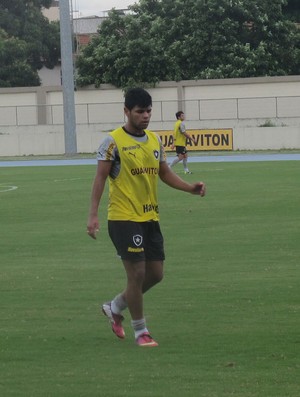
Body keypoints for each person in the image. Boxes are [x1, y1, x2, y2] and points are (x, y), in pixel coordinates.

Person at [87, 88, 206, 348]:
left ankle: (115, 306)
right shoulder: (113, 142)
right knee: (137, 274)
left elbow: (164, 173)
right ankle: (141, 331)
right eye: (140, 111)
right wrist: (93, 214)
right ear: (127, 111)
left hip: (149, 217)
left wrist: (189, 188)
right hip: (122, 217)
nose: (146, 116)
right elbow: (100, 178)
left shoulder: (154, 141)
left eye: (149, 111)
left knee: (156, 274)